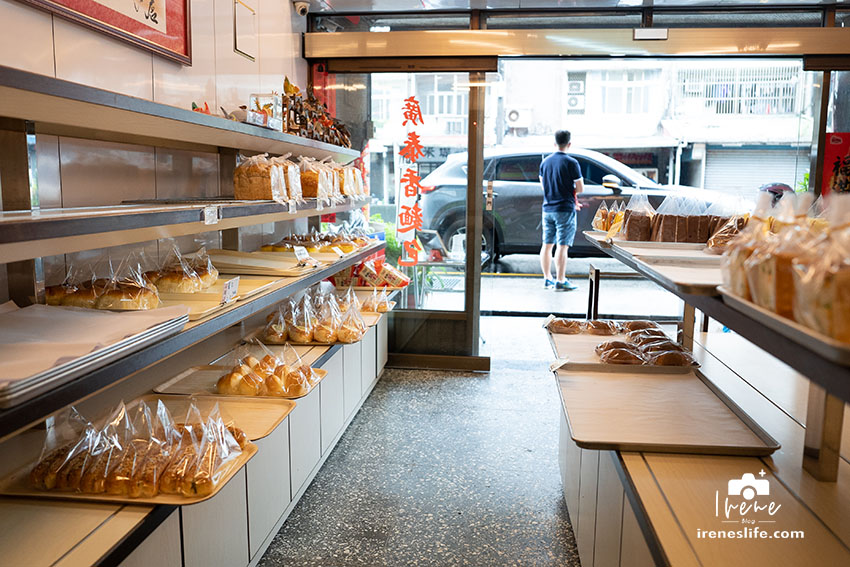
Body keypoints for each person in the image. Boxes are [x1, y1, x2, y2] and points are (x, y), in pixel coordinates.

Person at [539, 130, 584, 291]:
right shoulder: (572, 163)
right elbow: (580, 188)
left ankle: (547, 278)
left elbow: (544, 186)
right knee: (562, 246)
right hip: (565, 209)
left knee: (547, 244)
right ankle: (560, 279)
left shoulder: (545, 163)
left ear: (555, 143)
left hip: (547, 208)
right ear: (569, 144)